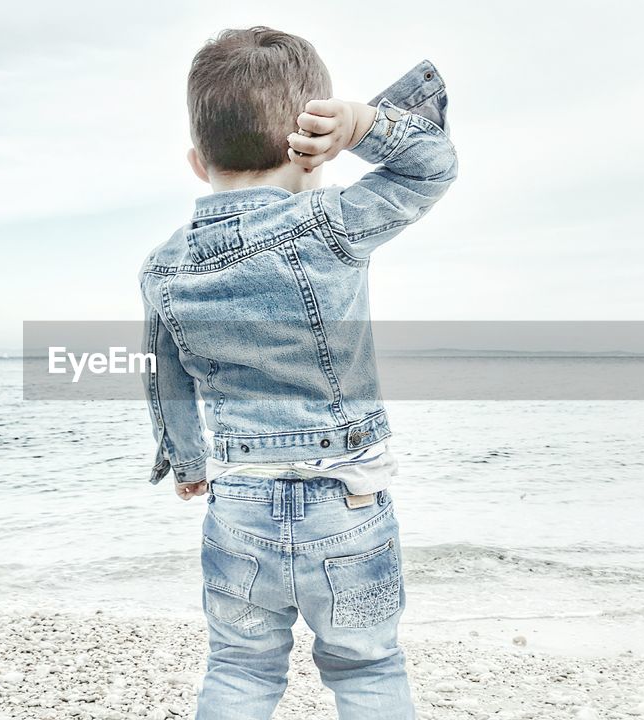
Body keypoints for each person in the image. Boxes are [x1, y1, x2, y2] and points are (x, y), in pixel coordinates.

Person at [139, 26, 458, 720]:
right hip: (345, 502)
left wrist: (189, 461)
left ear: (198, 162)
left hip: (239, 508)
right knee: (369, 667)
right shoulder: (331, 224)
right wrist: (364, 125)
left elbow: (166, 378)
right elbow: (432, 166)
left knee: (239, 669)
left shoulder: (164, 266)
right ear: (311, 150)